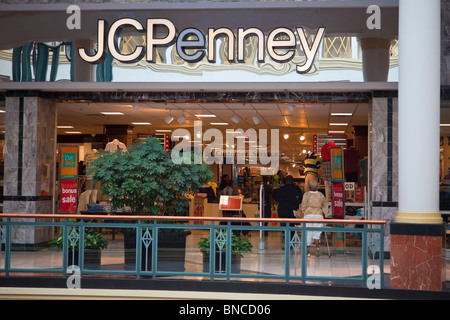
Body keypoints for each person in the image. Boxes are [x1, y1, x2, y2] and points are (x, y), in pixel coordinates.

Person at [301, 179, 328, 257]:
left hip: (308, 214)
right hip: (318, 215)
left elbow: (303, 205)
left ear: (309, 186)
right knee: (316, 233)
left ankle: (308, 252)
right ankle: (317, 249)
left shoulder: (306, 195)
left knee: (307, 233)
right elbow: (325, 204)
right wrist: (325, 213)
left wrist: (303, 211)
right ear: (317, 187)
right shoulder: (320, 195)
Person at [275, 175, 303, 240]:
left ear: (286, 181)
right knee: (292, 227)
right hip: (293, 211)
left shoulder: (281, 189)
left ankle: (285, 240)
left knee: (284, 227)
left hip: (282, 210)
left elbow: (276, 199)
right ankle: (290, 241)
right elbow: (300, 200)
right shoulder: (297, 189)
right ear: (292, 181)